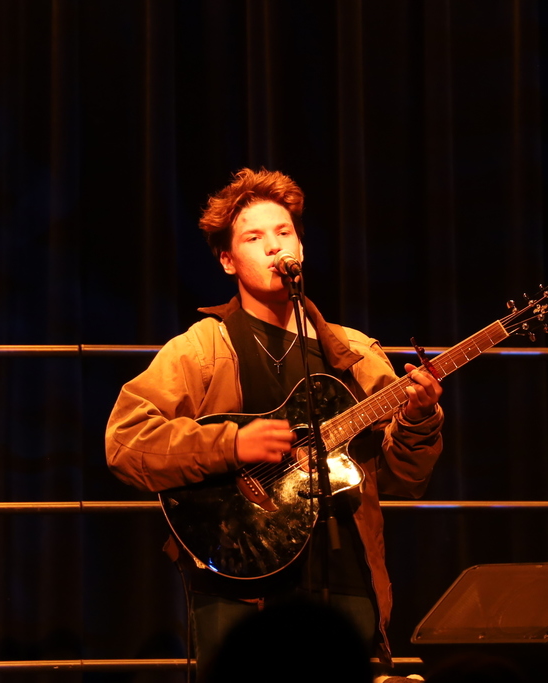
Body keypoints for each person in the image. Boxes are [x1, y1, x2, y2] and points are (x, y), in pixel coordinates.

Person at [105, 168, 444, 669]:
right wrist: (231, 445)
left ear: (301, 248)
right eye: (254, 237)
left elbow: (400, 480)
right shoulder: (201, 349)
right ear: (227, 260)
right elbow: (127, 443)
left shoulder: (357, 354)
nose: (273, 246)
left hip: (347, 580)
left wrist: (420, 419)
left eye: (284, 232)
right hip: (239, 582)